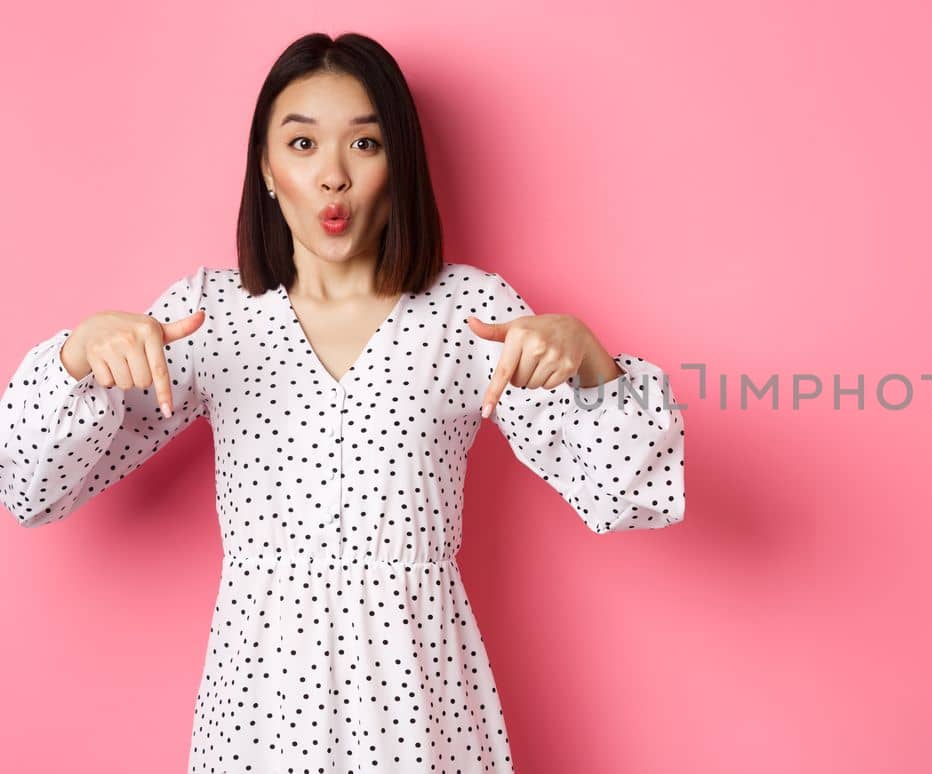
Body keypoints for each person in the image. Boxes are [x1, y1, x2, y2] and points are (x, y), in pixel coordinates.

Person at [0, 31, 685, 772]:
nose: (333, 176)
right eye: (301, 145)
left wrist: (590, 360)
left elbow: (627, 495)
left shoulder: (469, 315)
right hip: (260, 701)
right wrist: (75, 358)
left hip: (419, 700)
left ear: (400, 167)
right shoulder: (211, 318)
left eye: (364, 144)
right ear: (266, 168)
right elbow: (29, 488)